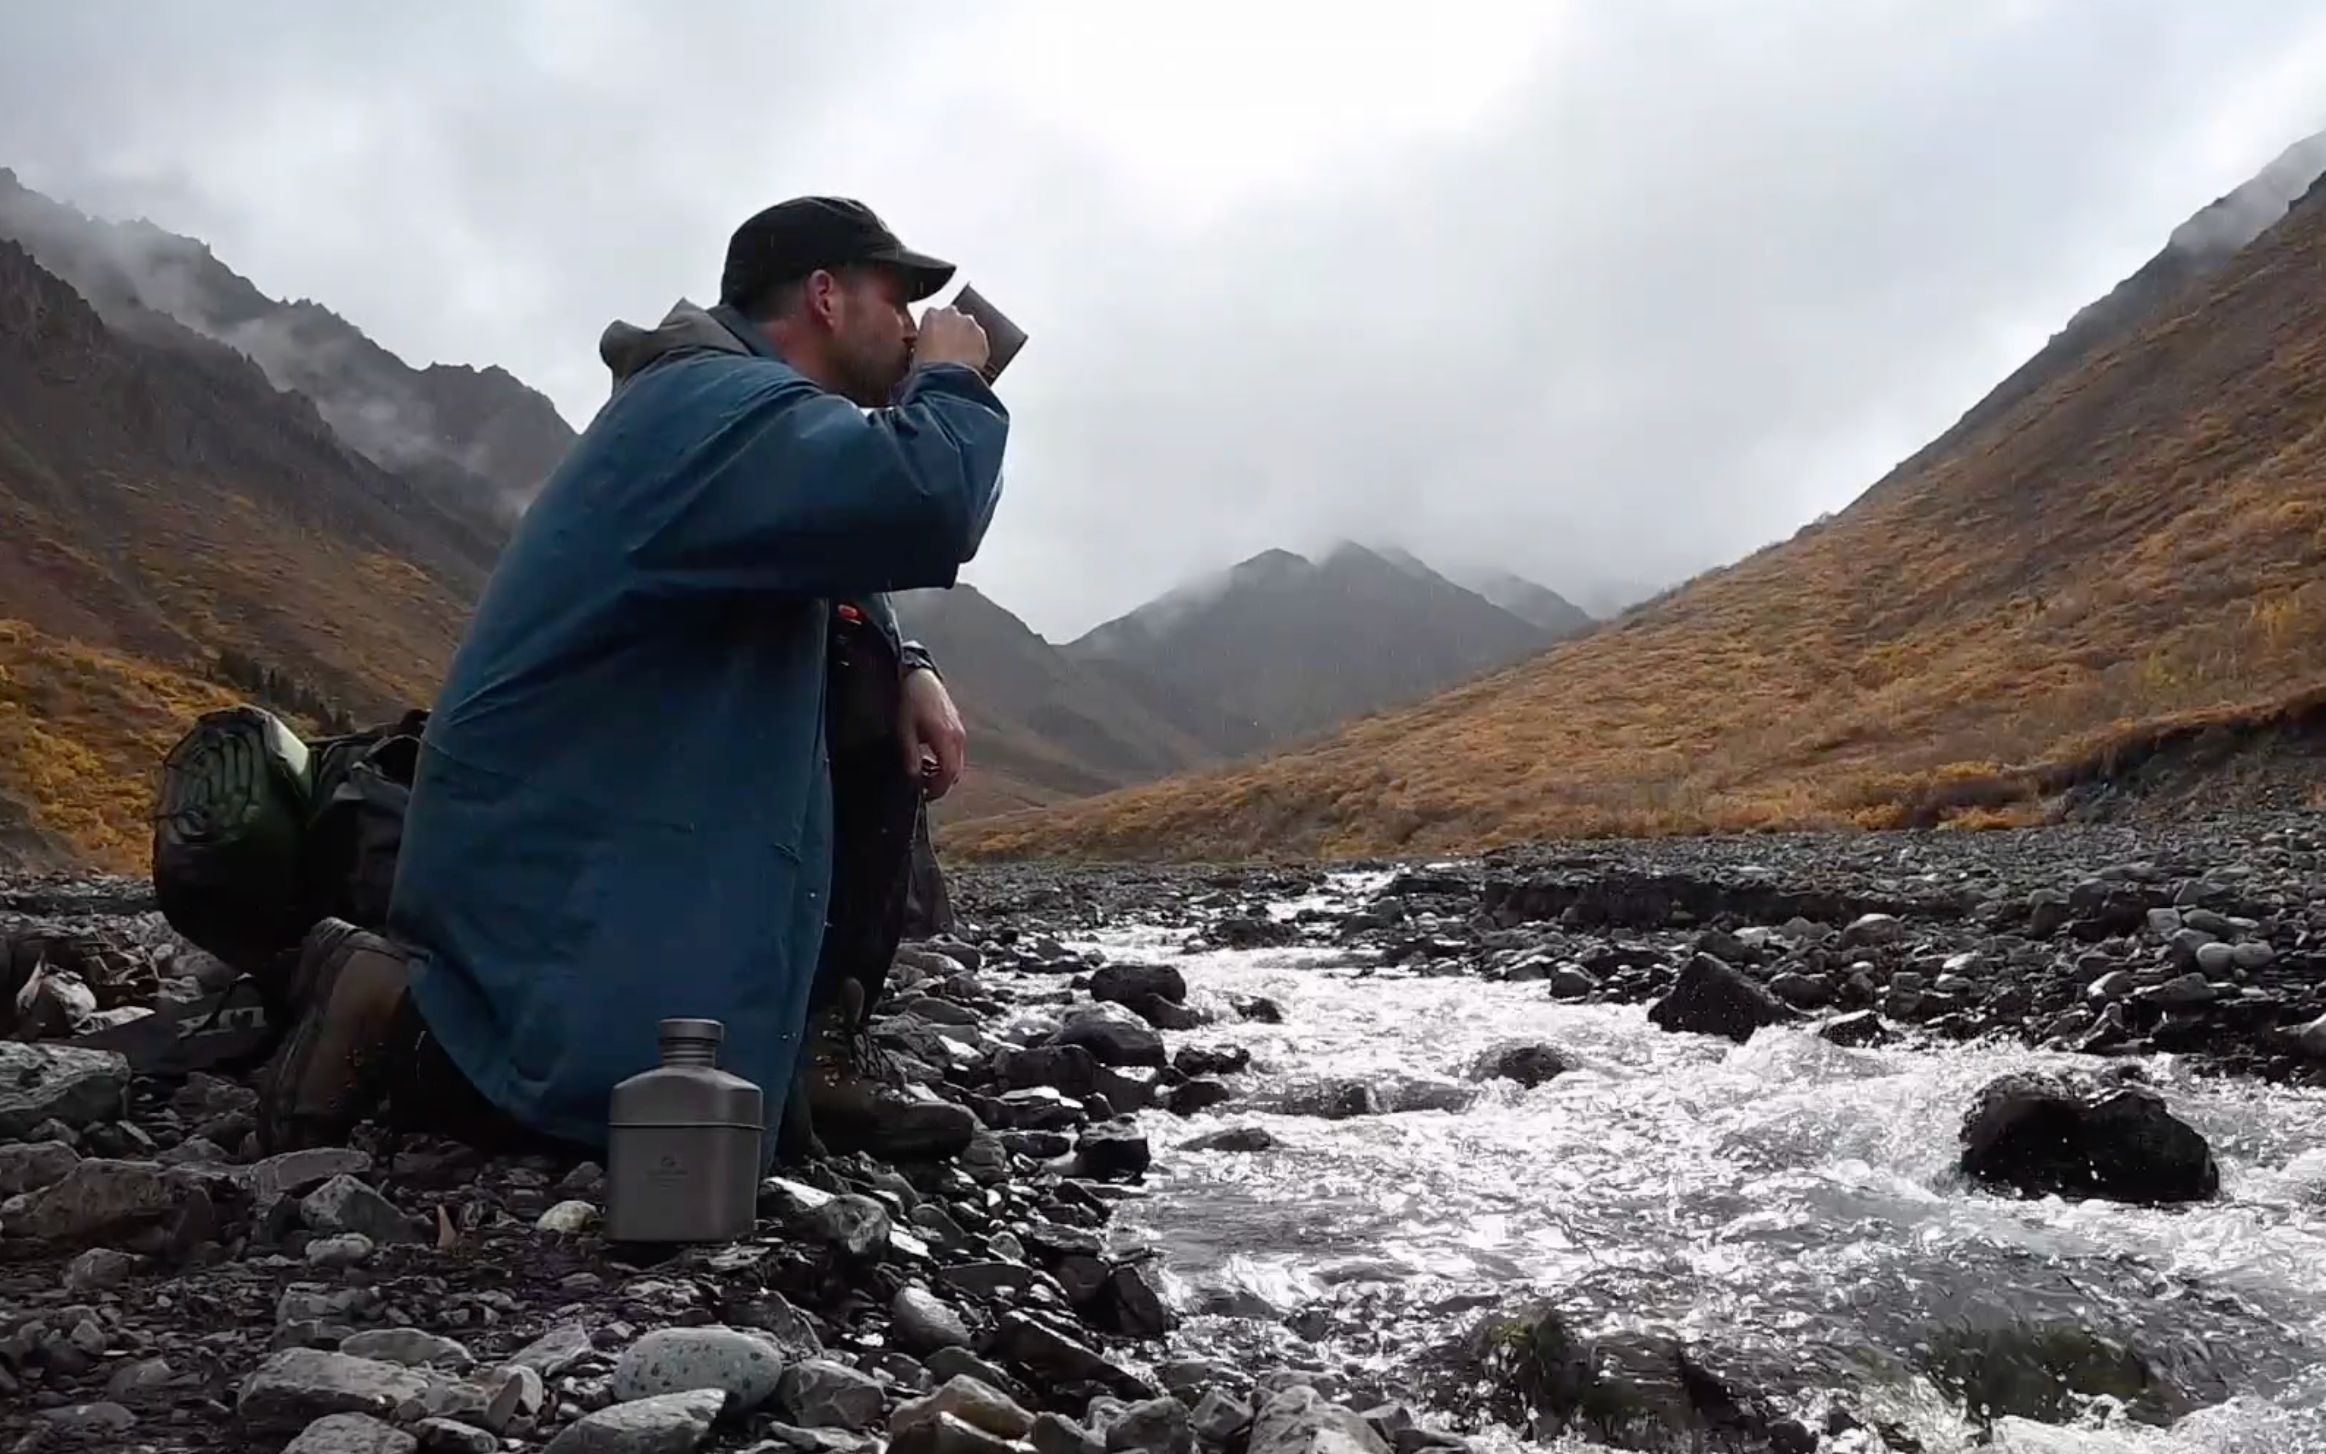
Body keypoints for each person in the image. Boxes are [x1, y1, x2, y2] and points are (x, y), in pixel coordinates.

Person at [254, 197, 1008, 1170]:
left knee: (857, 645)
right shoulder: (713, 410)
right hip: (556, 861)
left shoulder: (731, 412)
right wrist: (949, 378)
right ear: (825, 295)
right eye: (896, 295)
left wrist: (905, 661)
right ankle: (404, 1010)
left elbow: (831, 539)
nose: (912, 322)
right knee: (591, 1095)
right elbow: (925, 501)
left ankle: (809, 1041)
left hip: (599, 820)